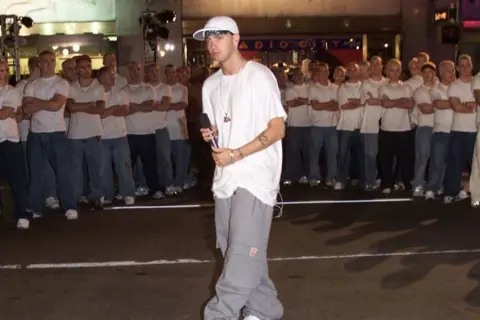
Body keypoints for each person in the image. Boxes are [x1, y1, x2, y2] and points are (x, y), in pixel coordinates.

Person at [195, 16, 285, 320]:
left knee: (241, 252)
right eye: (208, 39)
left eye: (218, 37)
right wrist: (212, 136)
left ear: (236, 39)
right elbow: (221, 128)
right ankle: (264, 311)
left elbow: (277, 129)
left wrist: (237, 154)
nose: (211, 44)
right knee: (238, 251)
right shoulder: (210, 85)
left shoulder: (259, 76)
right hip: (225, 178)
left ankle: (219, 314)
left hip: (255, 175)